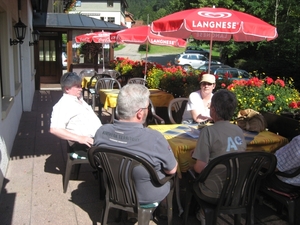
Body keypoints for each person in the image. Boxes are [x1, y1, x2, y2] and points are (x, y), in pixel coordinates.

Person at [93, 83, 178, 205]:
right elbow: (171, 170)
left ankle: (129, 214)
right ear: (139, 113)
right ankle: (164, 211)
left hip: (114, 190)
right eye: (147, 107)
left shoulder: (101, 132)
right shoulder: (154, 138)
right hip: (145, 196)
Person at [191, 89, 246, 224]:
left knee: (190, 174)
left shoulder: (208, 131)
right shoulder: (238, 130)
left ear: (213, 110)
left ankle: (201, 212)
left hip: (213, 192)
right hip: (237, 190)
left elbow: (199, 168)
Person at [50, 72, 102, 149]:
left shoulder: (78, 99)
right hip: (86, 145)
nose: (81, 89)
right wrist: (79, 138)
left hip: (98, 140)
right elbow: (55, 129)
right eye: (77, 86)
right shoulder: (63, 105)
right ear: (67, 89)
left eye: (80, 86)